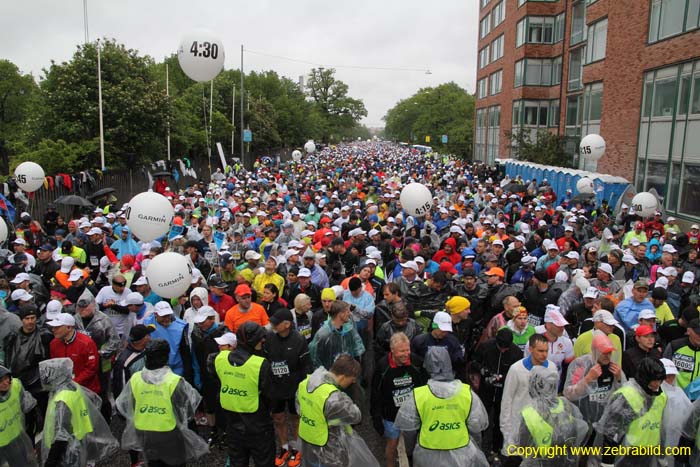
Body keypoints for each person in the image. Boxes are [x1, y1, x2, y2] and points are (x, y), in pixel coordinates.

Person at [116, 339, 209, 467]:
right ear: (166, 356)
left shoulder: (136, 378)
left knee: (153, 462)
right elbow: (187, 411)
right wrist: (193, 433)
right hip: (170, 433)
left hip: (145, 432)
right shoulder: (174, 381)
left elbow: (125, 405)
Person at [394, 346, 489, 467]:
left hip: (427, 456)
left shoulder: (419, 395)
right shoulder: (467, 394)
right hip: (461, 454)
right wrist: (476, 450)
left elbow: (409, 431)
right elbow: (476, 428)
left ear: (427, 367)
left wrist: (410, 452)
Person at [215, 321, 275, 467]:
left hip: (233, 424)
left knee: (237, 462)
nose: (263, 340)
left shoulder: (220, 358)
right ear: (253, 340)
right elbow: (269, 396)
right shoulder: (260, 364)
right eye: (261, 337)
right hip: (258, 425)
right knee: (264, 461)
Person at [40, 358, 118, 467]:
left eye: (45, 375)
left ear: (55, 376)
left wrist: (51, 461)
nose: (43, 379)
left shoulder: (62, 399)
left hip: (66, 451)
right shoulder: (73, 388)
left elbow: (61, 435)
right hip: (78, 443)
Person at [594, 358, 668, 467]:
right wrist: (607, 463)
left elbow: (661, 428)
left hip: (649, 452)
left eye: (660, 380)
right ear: (645, 378)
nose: (657, 384)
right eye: (654, 380)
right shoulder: (627, 396)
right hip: (627, 455)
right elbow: (611, 432)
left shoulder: (661, 396)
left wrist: (661, 456)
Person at [296, 354, 364, 467]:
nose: (352, 383)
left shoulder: (305, 383)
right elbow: (356, 416)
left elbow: (299, 408)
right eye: (352, 380)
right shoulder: (333, 397)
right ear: (343, 377)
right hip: (326, 447)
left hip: (307, 439)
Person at [500, 334, 559, 464]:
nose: (544, 355)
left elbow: (553, 397)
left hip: (541, 426)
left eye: (546, 351)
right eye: (540, 351)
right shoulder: (516, 369)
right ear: (531, 349)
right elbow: (507, 399)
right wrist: (506, 429)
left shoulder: (552, 368)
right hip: (518, 424)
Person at [371, 332, 427, 467]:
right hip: (391, 415)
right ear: (392, 350)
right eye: (402, 351)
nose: (406, 354)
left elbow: (425, 387)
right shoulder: (383, 366)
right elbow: (375, 393)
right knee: (392, 443)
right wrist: (376, 417)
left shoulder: (416, 362)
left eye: (408, 350)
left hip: (412, 414)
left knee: (414, 443)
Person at [516, 366, 589, 467]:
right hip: (566, 461)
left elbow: (522, 446)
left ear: (533, 385)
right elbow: (580, 431)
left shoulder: (529, 412)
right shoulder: (567, 405)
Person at [264, 308, 310, 467]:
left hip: (294, 387)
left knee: (295, 419)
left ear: (287, 324)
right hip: (275, 387)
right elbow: (265, 360)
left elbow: (305, 367)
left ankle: (297, 450)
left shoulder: (299, 340)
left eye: (276, 323)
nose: (273, 325)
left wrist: (303, 389)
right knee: (278, 418)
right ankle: (283, 448)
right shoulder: (269, 337)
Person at [472, 328, 523, 459]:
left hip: (504, 391)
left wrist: (503, 377)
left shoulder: (516, 352)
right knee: (482, 416)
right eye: (501, 348)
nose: (503, 351)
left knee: (500, 419)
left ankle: (497, 447)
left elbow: (518, 370)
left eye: (506, 349)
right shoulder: (485, 346)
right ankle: (480, 445)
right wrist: (483, 370)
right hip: (486, 389)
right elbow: (474, 361)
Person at [73, 293, 121, 422]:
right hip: (81, 363)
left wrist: (99, 353)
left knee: (102, 391)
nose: (82, 311)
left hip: (101, 362)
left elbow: (115, 341)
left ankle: (105, 420)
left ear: (93, 306)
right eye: (80, 308)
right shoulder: (75, 319)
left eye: (85, 308)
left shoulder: (104, 320)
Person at [190, 305, 229, 444]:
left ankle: (225, 430)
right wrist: (197, 374)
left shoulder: (223, 332)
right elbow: (194, 355)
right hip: (204, 373)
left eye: (203, 321)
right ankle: (213, 429)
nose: (200, 324)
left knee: (223, 404)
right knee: (209, 404)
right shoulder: (196, 333)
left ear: (212, 319)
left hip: (220, 375)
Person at [48, 312, 101, 394]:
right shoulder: (53, 344)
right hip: (63, 390)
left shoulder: (87, 343)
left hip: (86, 390)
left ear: (69, 327)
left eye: (57, 327)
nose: (53, 330)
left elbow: (91, 368)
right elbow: (54, 365)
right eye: (53, 327)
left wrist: (74, 382)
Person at [143, 302, 193, 383]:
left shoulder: (180, 327)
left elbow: (185, 352)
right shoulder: (147, 324)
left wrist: (188, 374)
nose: (166, 319)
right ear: (156, 314)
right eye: (163, 316)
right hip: (154, 369)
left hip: (175, 369)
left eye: (168, 315)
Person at [309, 300, 365, 370]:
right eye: (347, 311)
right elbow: (314, 359)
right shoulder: (323, 335)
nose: (349, 314)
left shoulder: (348, 329)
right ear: (341, 314)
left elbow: (356, 350)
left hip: (346, 373)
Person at [0, 365, 39, 466]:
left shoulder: (16, 386)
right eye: (0, 381)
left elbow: (28, 408)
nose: (5, 383)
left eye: (7, 378)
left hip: (17, 439)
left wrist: (30, 438)